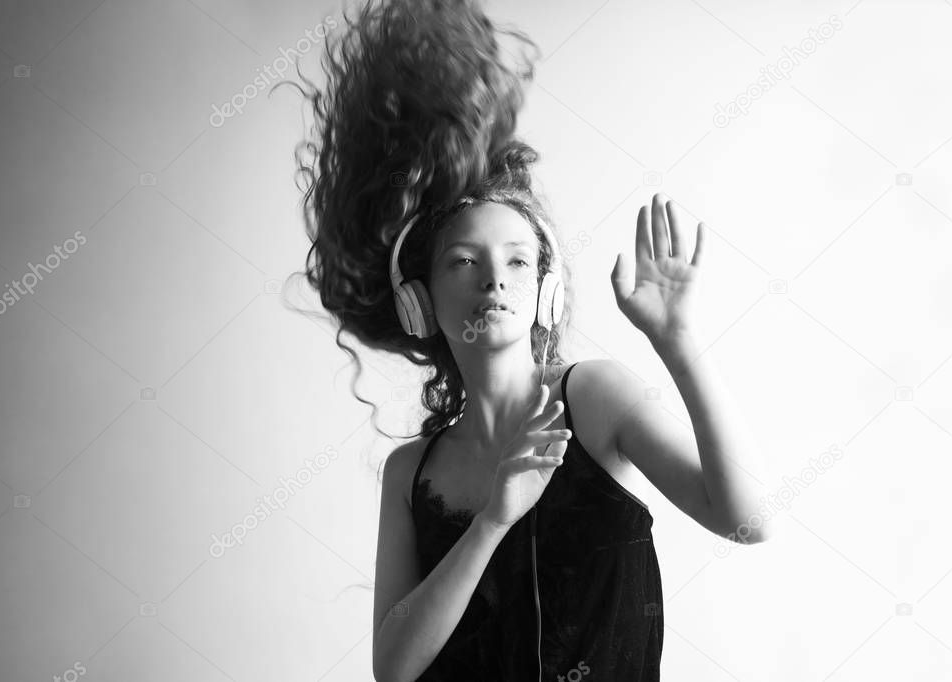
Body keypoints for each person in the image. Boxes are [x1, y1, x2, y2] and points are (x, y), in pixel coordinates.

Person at [288, 1, 773, 680]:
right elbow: (392, 670)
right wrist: (492, 519)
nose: (494, 279)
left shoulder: (596, 398)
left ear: (544, 291)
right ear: (418, 299)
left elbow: (748, 522)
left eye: (517, 260)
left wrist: (679, 341)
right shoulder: (410, 474)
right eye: (464, 261)